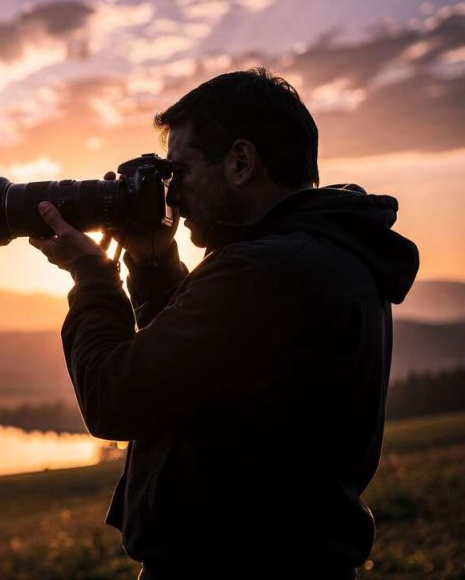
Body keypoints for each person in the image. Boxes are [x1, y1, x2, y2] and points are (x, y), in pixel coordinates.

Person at [29, 68, 419, 579]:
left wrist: (91, 275)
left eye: (180, 172)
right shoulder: (324, 254)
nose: (172, 195)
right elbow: (206, 368)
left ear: (240, 161)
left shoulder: (264, 270)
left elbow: (113, 398)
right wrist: (151, 264)